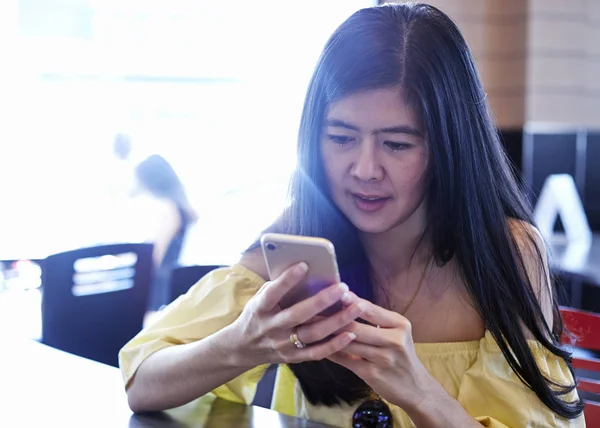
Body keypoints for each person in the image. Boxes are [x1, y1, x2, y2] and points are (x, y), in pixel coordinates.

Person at [119, 3, 585, 427]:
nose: (363, 170)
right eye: (341, 138)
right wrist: (242, 343)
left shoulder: (509, 253)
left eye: (397, 144)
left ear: (449, 147)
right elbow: (142, 380)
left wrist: (419, 390)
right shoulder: (298, 238)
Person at [134, 154, 199, 312]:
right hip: (169, 283)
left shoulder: (168, 208)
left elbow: (155, 256)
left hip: (159, 289)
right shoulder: (180, 207)